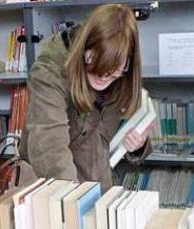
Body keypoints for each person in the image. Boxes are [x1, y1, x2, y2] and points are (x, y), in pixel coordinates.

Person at [17, 3, 151, 188]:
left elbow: (113, 137)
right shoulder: (49, 72)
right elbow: (50, 149)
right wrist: (74, 202)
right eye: (95, 66)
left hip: (98, 185)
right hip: (51, 188)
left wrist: (137, 145)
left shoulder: (124, 76)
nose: (104, 78)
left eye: (113, 72)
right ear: (83, 48)